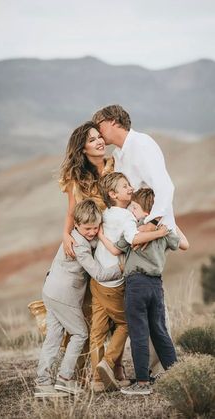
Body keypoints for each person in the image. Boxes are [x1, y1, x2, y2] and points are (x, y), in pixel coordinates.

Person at [92, 104, 177, 374]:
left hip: (150, 233)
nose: (98, 131)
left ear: (113, 121)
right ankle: (158, 367)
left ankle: (158, 370)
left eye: (99, 124)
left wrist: (151, 224)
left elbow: (165, 187)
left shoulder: (142, 144)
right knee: (144, 302)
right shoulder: (119, 154)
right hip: (135, 235)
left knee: (148, 301)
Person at [98, 187, 189, 395]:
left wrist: (102, 236)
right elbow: (184, 244)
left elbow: (115, 249)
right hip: (156, 286)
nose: (131, 210)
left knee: (139, 333)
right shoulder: (164, 231)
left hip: (136, 285)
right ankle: (178, 374)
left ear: (145, 211)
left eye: (135, 207)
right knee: (159, 331)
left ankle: (142, 383)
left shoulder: (134, 229)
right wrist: (169, 221)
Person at [59, 121, 127, 385]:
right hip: (91, 249)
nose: (100, 141)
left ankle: (116, 368)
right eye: (92, 139)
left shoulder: (116, 165)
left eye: (100, 137)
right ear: (83, 148)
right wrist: (66, 234)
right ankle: (85, 373)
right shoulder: (78, 177)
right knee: (92, 313)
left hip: (114, 247)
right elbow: (71, 211)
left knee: (120, 308)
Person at [35, 199, 123, 398]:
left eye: (96, 227)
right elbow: (98, 274)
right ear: (76, 225)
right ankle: (65, 379)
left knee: (53, 338)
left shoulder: (76, 236)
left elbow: (92, 240)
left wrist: (99, 236)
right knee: (80, 334)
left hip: (50, 290)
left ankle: (42, 383)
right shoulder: (79, 246)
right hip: (63, 295)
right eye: (88, 228)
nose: (92, 232)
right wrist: (121, 269)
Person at [90, 173, 169, 392]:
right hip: (115, 281)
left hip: (97, 280)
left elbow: (111, 245)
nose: (131, 188)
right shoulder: (126, 217)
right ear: (113, 194)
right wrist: (159, 231)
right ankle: (107, 363)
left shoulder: (105, 214)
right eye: (125, 186)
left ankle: (97, 379)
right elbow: (133, 239)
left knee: (97, 330)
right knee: (125, 324)